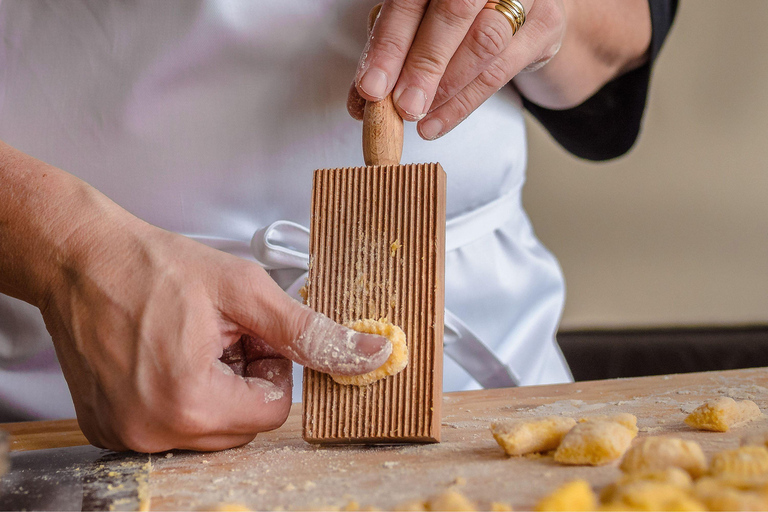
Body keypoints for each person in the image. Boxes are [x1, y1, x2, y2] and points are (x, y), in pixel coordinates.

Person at [0, 0, 677, 452]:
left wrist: (543, 11)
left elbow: (630, 22)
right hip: (85, 367)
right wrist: (68, 250)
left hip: (491, 382)